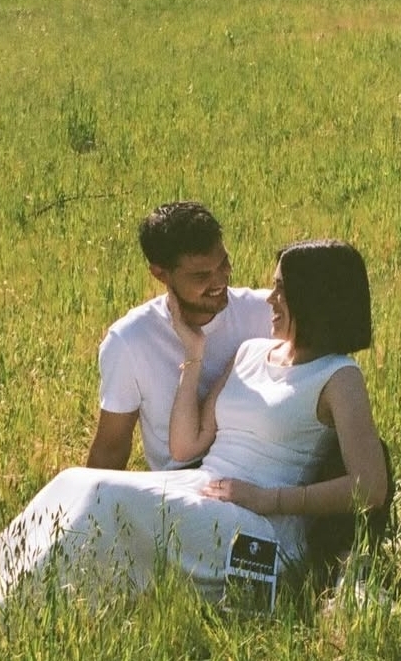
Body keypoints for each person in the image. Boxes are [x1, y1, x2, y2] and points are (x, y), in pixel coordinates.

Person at [0, 239, 388, 659]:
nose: (270, 300)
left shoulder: (339, 376)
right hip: (207, 489)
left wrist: (268, 500)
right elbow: (188, 443)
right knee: (74, 481)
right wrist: (193, 356)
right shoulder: (252, 352)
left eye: (282, 291)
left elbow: (371, 486)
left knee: (107, 500)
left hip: (263, 544)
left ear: (315, 300)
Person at [86, 201, 272, 471]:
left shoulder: (266, 312)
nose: (220, 280)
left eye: (224, 263)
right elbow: (111, 448)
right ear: (160, 274)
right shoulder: (129, 341)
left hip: (264, 472)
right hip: (180, 481)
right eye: (201, 275)